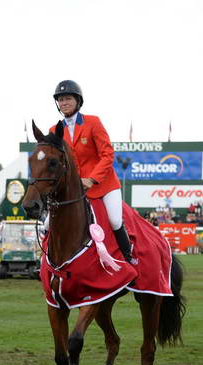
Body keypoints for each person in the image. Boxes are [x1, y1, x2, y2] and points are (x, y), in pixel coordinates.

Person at [50, 79, 133, 262]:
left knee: (114, 220)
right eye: (60, 100)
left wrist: (92, 179)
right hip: (75, 190)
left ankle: (129, 256)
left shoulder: (93, 122)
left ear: (78, 101)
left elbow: (107, 154)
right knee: (49, 222)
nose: (64, 103)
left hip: (104, 185)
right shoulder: (54, 130)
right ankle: (49, 259)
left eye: (68, 99)